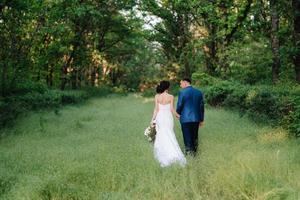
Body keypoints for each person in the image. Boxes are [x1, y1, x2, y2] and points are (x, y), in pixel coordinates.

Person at [151, 80, 186, 167]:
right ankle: (174, 154)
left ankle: (162, 153)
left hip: (159, 117)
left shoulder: (157, 96)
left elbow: (156, 109)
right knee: (169, 133)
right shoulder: (171, 97)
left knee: (161, 134)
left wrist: (152, 119)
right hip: (167, 117)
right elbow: (172, 110)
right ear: (167, 87)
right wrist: (178, 116)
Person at [176, 78, 204, 156]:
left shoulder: (182, 92)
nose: (180, 85)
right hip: (196, 118)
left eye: (181, 83)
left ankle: (189, 153)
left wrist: (178, 112)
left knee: (187, 136)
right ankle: (195, 154)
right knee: (195, 136)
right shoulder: (199, 92)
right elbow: (201, 107)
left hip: (185, 118)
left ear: (185, 83)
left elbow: (180, 104)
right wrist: (201, 119)